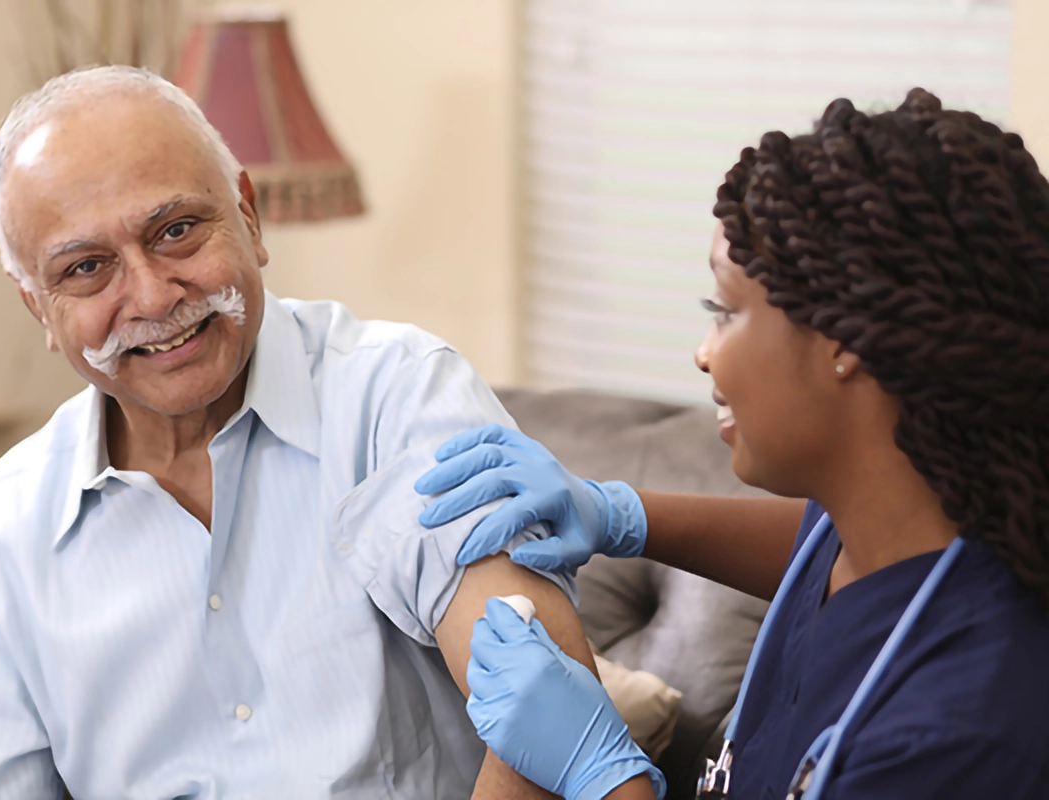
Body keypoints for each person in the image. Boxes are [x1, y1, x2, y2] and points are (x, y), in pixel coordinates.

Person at [0, 65, 661, 800]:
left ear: (249, 219)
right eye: (87, 268)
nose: (153, 295)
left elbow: (537, 724)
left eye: (177, 229)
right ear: (39, 310)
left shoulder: (396, 395)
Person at [417, 89, 1049, 799]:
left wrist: (605, 777)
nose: (704, 353)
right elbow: (819, 554)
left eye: (724, 311)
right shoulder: (888, 531)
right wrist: (622, 516)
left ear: (844, 341)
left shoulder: (954, 736)